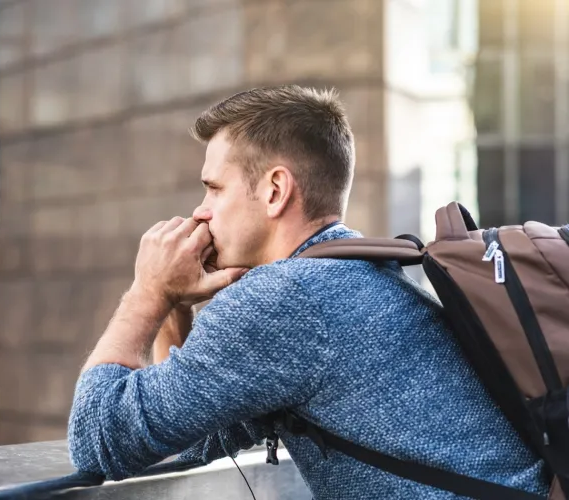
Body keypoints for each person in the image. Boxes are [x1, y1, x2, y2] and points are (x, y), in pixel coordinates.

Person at [66, 85, 550, 499]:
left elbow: (98, 439)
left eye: (214, 188)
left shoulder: (285, 300)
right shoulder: (360, 269)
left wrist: (148, 290)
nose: (200, 212)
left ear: (276, 190)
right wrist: (174, 300)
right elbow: (190, 434)